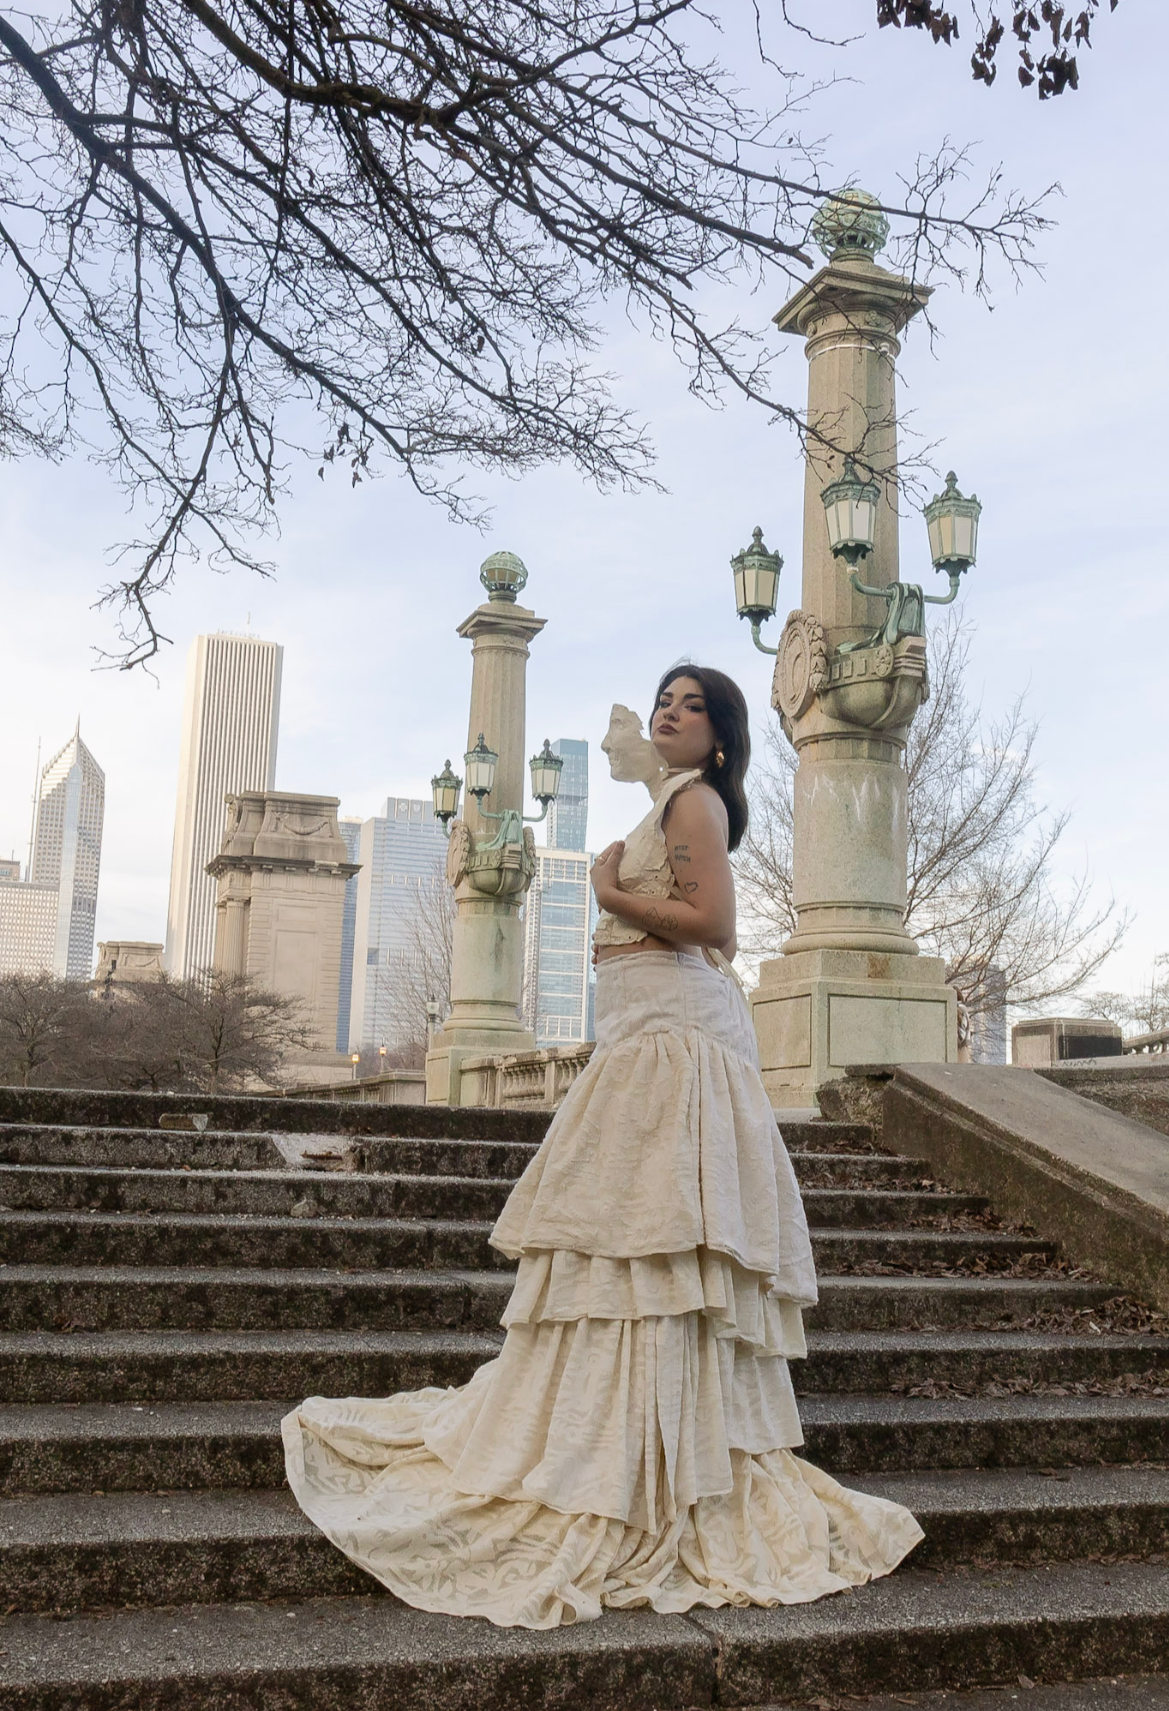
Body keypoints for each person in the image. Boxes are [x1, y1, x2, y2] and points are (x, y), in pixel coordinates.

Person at [282, 664, 923, 1629]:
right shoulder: (671, 799)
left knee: (656, 1227)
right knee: (629, 1225)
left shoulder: (696, 804)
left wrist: (604, 891)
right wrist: (631, 804)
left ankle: (664, 1455)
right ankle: (626, 1433)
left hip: (672, 1033)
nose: (666, 712)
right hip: (648, 1027)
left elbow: (713, 925)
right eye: (663, 699)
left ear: (717, 737)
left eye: (688, 705)